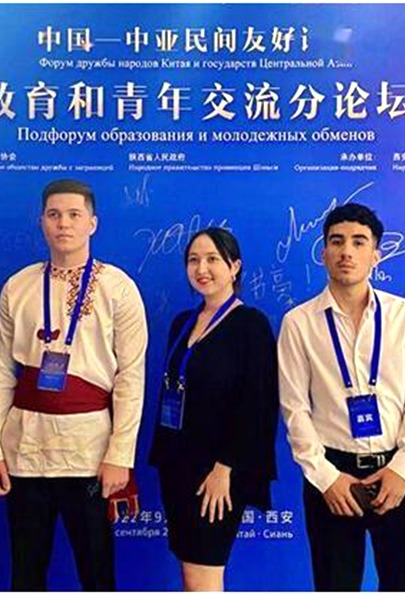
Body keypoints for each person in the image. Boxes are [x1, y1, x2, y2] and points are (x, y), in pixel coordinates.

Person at [0, 179, 148, 591]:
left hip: (90, 450)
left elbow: (131, 376)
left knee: (96, 572)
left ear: (93, 223)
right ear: (41, 222)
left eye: (75, 215)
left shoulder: (118, 288)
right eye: (54, 215)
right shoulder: (18, 285)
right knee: (26, 572)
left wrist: (120, 456)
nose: (64, 224)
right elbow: (1, 371)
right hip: (25, 448)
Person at [278, 203, 405, 591]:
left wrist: (403, 469)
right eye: (337, 241)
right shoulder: (298, 323)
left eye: (359, 242)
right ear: (323, 253)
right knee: (335, 585)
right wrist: (325, 477)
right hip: (333, 476)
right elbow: (294, 409)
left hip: (396, 473)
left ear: (376, 255)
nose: (346, 251)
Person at [149, 227, 279, 592]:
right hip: (178, 465)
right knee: (190, 570)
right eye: (193, 260)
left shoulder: (251, 325)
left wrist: (225, 468)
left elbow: (259, 405)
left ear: (234, 267)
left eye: (212, 259)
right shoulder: (183, 322)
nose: (201, 269)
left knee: (204, 571)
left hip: (218, 473)